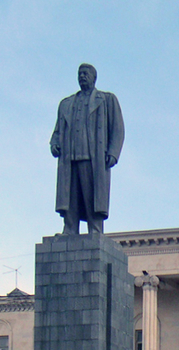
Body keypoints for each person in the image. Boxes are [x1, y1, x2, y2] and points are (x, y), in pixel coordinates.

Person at [50, 64, 124, 235]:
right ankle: (69, 228)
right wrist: (54, 143)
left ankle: (95, 230)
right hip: (69, 159)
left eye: (86, 73)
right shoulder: (66, 104)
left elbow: (118, 128)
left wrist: (113, 152)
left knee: (92, 197)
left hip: (93, 158)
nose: (82, 76)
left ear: (94, 77)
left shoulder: (106, 100)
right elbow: (57, 130)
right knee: (70, 197)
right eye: (80, 74)